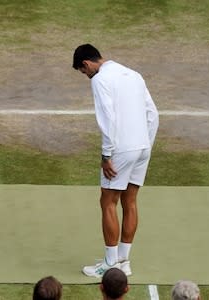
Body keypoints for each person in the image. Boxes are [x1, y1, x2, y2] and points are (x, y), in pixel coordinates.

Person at [72, 44, 159, 278]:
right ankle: (123, 260)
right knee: (130, 202)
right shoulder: (134, 75)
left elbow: (107, 119)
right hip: (142, 146)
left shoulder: (99, 80)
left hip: (121, 150)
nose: (86, 76)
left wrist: (106, 155)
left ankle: (110, 264)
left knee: (108, 202)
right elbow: (153, 114)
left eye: (83, 72)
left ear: (87, 64)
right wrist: (145, 146)